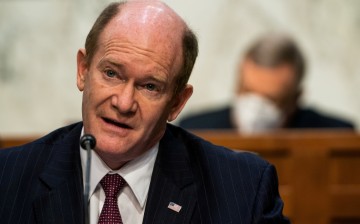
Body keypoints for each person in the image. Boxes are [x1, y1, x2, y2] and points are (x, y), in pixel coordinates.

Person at [0, 1, 289, 223]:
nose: (124, 103)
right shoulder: (7, 177)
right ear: (82, 71)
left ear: (177, 102)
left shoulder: (244, 190)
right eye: (111, 73)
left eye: (150, 86)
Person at [180, 33, 355, 133]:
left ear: (296, 99)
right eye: (247, 91)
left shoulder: (334, 137)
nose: (255, 107)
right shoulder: (196, 131)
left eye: (270, 100)